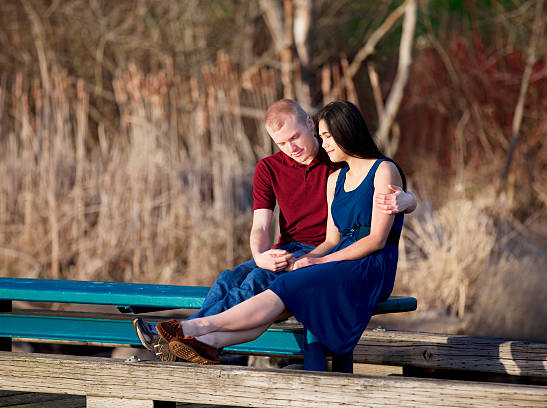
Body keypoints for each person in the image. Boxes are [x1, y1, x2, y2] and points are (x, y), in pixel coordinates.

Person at [134, 99, 415, 360]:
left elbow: (378, 206)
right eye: (282, 143)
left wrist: (408, 200)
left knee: (259, 282)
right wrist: (260, 254)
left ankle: (189, 330)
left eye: (296, 137)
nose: (292, 148)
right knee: (228, 280)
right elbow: (263, 227)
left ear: (309, 124)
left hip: (331, 254)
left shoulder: (336, 162)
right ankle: (196, 343)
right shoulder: (282, 170)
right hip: (298, 249)